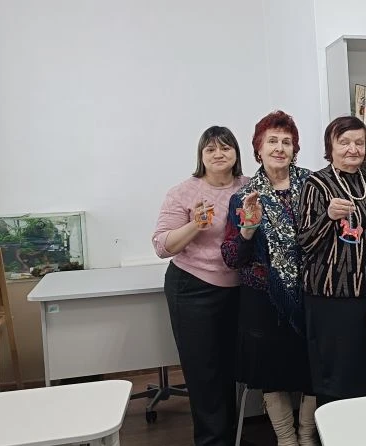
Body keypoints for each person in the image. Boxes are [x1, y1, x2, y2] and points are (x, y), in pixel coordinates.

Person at [221, 111, 317, 446]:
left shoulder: (314, 186)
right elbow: (231, 257)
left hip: (312, 294)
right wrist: (247, 229)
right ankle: (287, 440)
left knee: (313, 368)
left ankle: (307, 435)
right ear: (258, 149)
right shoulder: (244, 197)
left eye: (286, 142)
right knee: (271, 374)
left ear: (295, 149)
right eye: (272, 141)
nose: (279, 148)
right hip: (264, 301)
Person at [152, 125, 248, 446]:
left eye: (225, 147)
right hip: (192, 289)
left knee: (233, 370)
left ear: (236, 153)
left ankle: (230, 437)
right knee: (204, 374)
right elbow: (162, 246)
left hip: (239, 290)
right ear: (201, 156)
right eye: (211, 149)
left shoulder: (249, 187)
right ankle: (211, 441)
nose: (219, 154)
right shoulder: (183, 192)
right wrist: (196, 224)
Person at [297, 116, 366, 407]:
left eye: (359, 143)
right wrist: (328, 217)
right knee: (337, 379)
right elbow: (305, 242)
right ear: (331, 146)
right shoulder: (316, 183)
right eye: (344, 142)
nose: (353, 149)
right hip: (332, 297)